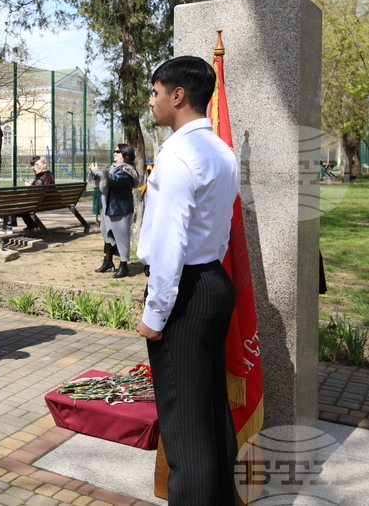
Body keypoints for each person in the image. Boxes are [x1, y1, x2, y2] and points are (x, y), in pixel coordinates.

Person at [137, 56, 240, 505]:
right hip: (212, 281)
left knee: (184, 425)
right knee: (211, 412)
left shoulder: (180, 153)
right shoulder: (220, 149)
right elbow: (218, 232)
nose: (152, 100)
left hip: (184, 293)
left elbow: (169, 244)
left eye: (155, 92)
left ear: (178, 95)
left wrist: (155, 313)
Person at [93, 144, 142, 279]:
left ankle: (124, 266)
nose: (114, 153)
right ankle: (108, 261)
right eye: (114, 151)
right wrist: (95, 172)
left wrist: (98, 171)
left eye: (117, 151)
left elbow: (111, 180)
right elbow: (102, 178)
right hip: (108, 208)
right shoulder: (112, 168)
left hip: (120, 209)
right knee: (107, 236)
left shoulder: (127, 171)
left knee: (121, 238)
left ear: (125, 154)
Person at [2, 156, 54, 234]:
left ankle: (7, 227)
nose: (33, 169)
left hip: (37, 204)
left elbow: (34, 195)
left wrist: (29, 187)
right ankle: (31, 225)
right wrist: (33, 184)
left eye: (34, 168)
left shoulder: (40, 179)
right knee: (23, 206)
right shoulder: (49, 175)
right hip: (47, 203)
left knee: (9, 203)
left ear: (40, 168)